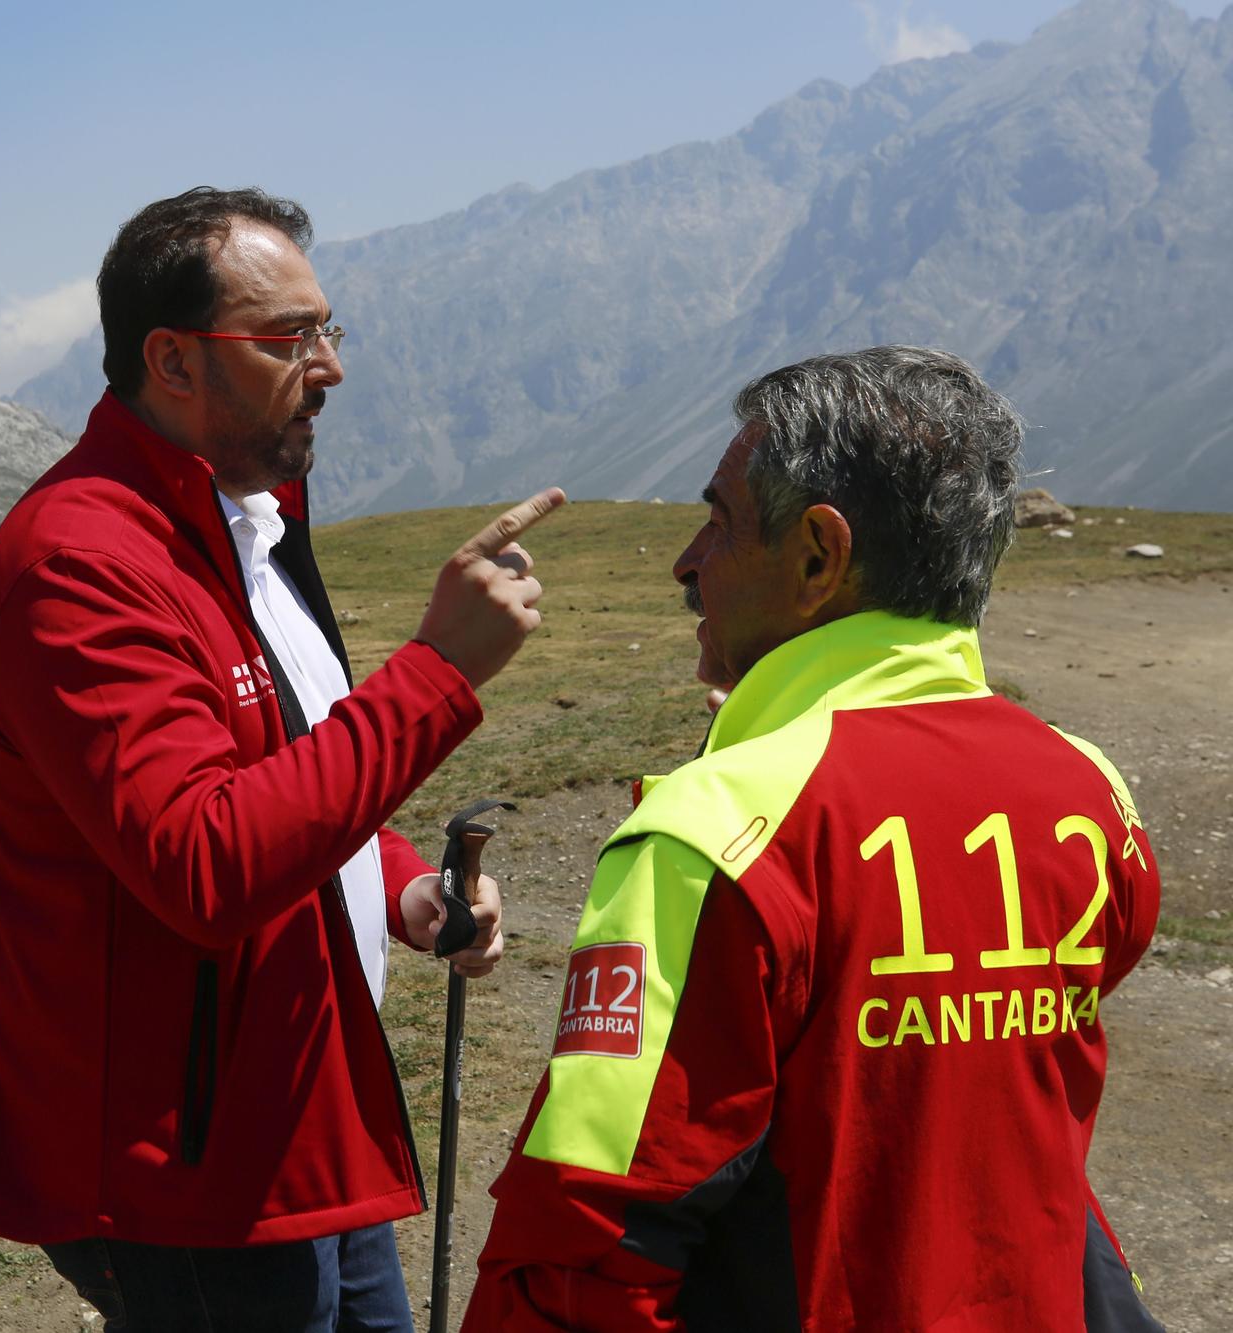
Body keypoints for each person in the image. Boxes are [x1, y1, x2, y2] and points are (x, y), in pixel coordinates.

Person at [0, 186, 564, 1330]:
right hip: (183, 1171)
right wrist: (436, 670)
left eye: (326, 330)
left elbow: (282, 768)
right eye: (286, 339)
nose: (328, 367)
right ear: (171, 360)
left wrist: (399, 885)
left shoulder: (245, 515)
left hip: (296, 1102)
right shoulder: (76, 564)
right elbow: (203, 861)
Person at [467, 346, 1165, 1331]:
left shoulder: (714, 830)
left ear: (816, 556)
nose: (685, 561)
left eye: (717, 519)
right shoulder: (1092, 796)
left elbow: (591, 1231)